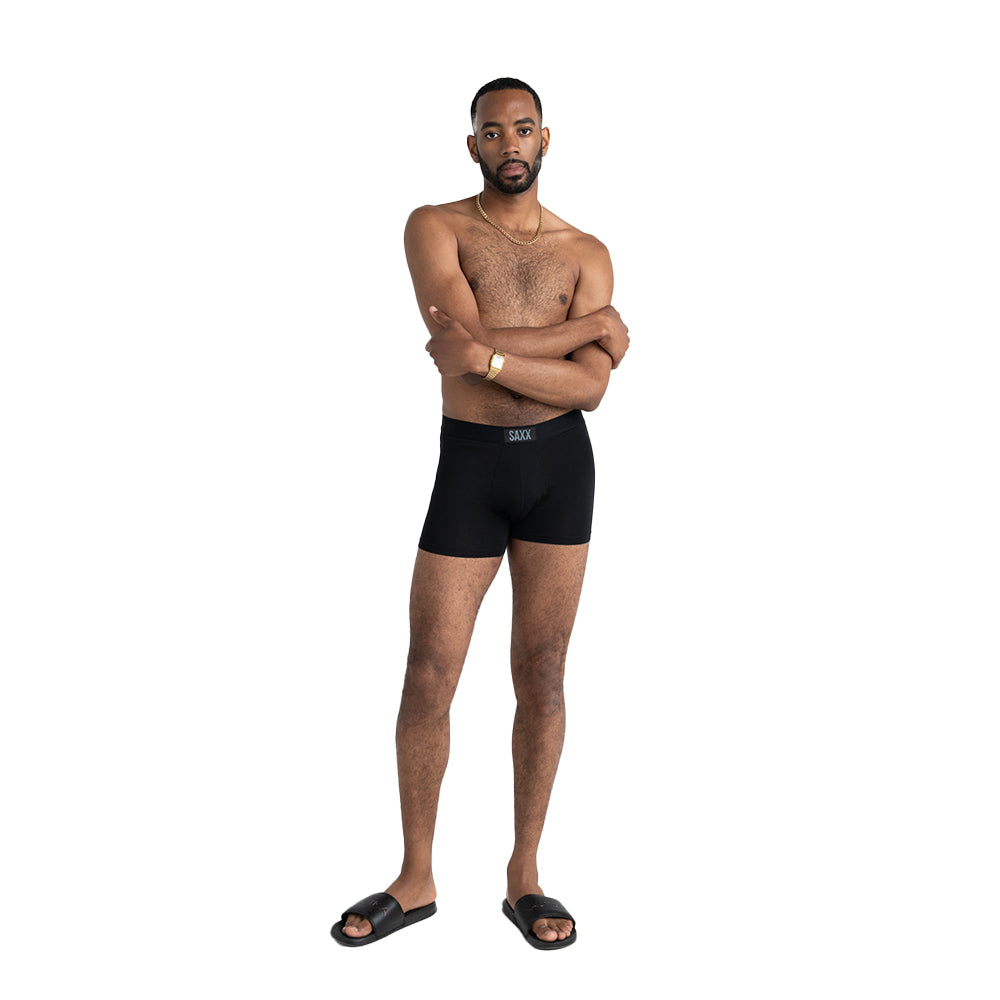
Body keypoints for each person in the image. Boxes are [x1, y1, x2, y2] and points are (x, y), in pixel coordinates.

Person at [331, 77, 629, 950]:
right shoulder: (436, 226)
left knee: (543, 672)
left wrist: (492, 354)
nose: (509, 143)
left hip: (560, 470)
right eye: (492, 131)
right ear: (473, 146)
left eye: (523, 129)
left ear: (546, 139)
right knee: (430, 671)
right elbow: (452, 353)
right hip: (470, 466)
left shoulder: (587, 251)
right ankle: (416, 877)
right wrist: (587, 330)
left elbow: (591, 389)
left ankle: (524, 875)